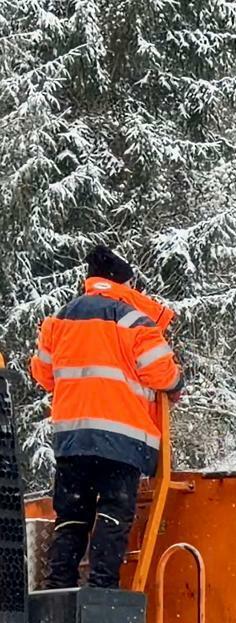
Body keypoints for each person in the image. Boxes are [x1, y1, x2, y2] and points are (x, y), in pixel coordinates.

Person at [30, 245, 182, 589]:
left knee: (71, 516)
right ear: (121, 283)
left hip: (72, 441)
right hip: (121, 441)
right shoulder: (133, 320)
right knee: (114, 512)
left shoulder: (58, 321)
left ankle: (59, 589)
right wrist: (177, 383)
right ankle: (103, 588)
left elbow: (42, 374)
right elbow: (163, 374)